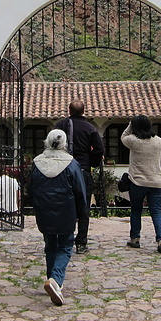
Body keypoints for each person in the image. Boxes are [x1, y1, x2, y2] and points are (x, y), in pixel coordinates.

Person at [29, 129, 87, 306]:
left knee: (50, 246)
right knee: (65, 246)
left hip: (44, 210)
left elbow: (30, 188)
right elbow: (80, 191)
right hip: (66, 211)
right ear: (64, 144)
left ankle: (51, 279)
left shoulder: (37, 163)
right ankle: (55, 280)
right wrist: (82, 213)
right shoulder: (71, 164)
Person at [55, 99, 104, 254]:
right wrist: (91, 161)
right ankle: (81, 242)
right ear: (84, 111)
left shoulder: (61, 126)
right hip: (83, 170)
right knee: (83, 207)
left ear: (69, 110)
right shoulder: (90, 128)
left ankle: (64, 239)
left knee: (63, 205)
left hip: (63, 170)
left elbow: (52, 144)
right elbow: (99, 150)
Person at [121, 114, 161, 253]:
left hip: (138, 182)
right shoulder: (158, 141)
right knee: (156, 211)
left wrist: (130, 124)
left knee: (136, 211)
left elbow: (123, 136)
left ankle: (135, 239)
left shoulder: (133, 141)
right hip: (157, 182)